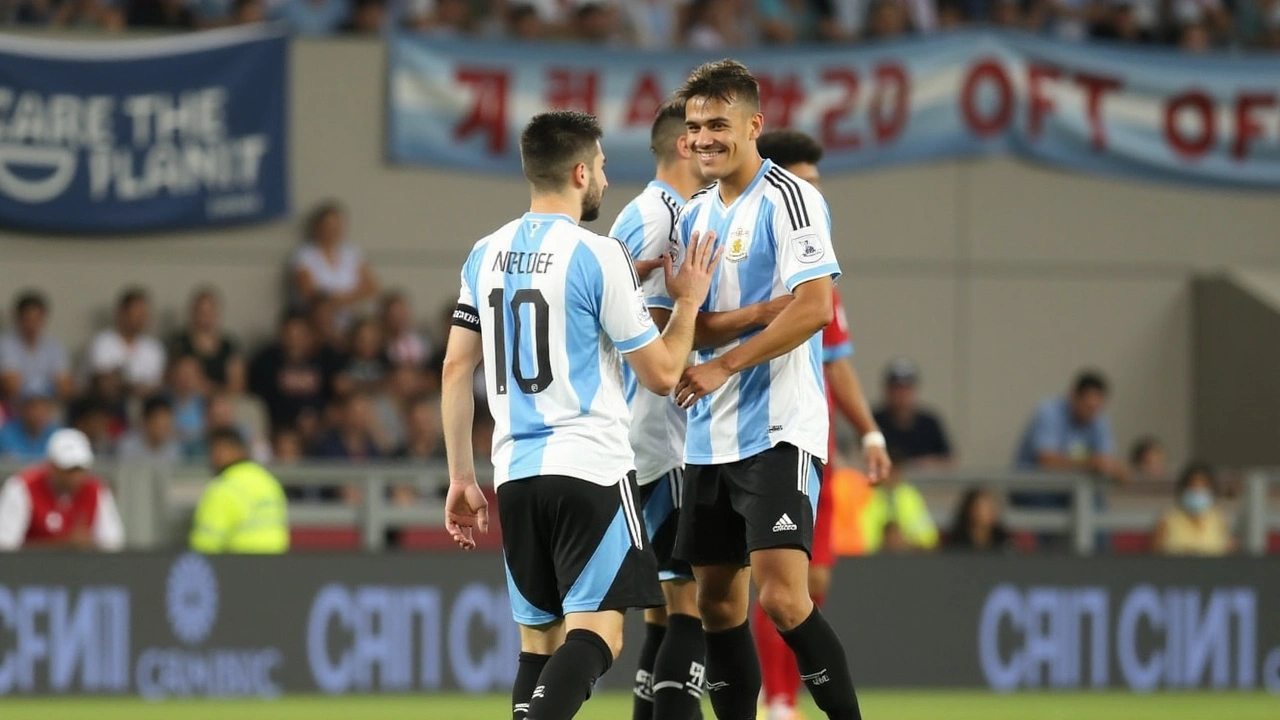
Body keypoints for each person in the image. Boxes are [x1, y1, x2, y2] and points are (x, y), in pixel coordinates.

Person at [440, 110, 719, 720]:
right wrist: (689, 301)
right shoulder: (597, 255)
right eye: (599, 167)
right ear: (577, 171)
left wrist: (462, 477)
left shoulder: (484, 254)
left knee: (537, 647)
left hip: (513, 474)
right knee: (600, 636)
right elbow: (663, 373)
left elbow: (457, 369)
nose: (605, 180)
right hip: (590, 471)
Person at [663, 60, 864, 720]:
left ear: (755, 124)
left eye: (718, 124)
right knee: (719, 604)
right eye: (695, 128)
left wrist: (724, 363)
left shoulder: (792, 198)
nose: (704, 139)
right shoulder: (695, 214)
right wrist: (719, 330)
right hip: (706, 436)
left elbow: (812, 307)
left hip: (779, 430)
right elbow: (691, 327)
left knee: (782, 598)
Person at [749, 128, 891, 720]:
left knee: (811, 584)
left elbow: (838, 366)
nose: (812, 197)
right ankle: (778, 697)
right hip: (758, 440)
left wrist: (872, 432)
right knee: (773, 584)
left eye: (816, 185)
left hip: (818, 446)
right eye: (801, 184)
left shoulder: (818, 279)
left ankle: (784, 694)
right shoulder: (754, 260)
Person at [609, 98, 713, 720]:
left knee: (660, 607)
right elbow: (642, 329)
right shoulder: (658, 218)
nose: (710, 149)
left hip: (638, 436)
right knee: (691, 605)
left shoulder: (642, 215)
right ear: (682, 146)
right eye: (700, 137)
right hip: (663, 438)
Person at [0, 429, 125, 552]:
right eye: (68, 470)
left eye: (80, 469)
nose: (75, 477)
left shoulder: (97, 490)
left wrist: (89, 544)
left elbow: (113, 543)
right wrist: (64, 544)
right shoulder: (21, 487)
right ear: (52, 466)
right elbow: (6, 545)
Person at [190, 426, 289, 554]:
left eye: (214, 450)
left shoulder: (223, 488)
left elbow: (204, 545)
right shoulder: (268, 481)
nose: (212, 458)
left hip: (238, 567)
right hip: (277, 566)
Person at [292, 200, 380, 327]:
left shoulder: (352, 253)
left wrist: (337, 300)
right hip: (318, 323)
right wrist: (349, 297)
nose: (332, 229)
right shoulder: (304, 255)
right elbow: (309, 292)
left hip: (352, 321)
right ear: (318, 227)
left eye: (337, 225)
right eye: (328, 225)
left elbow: (371, 286)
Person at [872, 357, 953, 468]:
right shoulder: (874, 421)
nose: (901, 395)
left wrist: (922, 464)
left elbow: (949, 460)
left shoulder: (929, 423)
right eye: (896, 389)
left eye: (906, 389)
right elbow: (858, 456)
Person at [86, 287, 167, 397]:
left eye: (144, 313)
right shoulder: (102, 342)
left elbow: (157, 385)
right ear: (122, 313)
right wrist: (133, 387)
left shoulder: (154, 347)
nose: (142, 318)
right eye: (137, 313)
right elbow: (104, 382)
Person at [0, 291, 73, 403]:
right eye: (28, 319)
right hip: (14, 407)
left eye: (37, 319)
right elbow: (11, 387)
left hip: (47, 407)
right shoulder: (5, 344)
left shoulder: (54, 346)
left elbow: (65, 388)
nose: (32, 324)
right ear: (18, 319)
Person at [170, 287, 245, 394]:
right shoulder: (180, 343)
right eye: (201, 311)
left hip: (221, 403)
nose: (206, 316)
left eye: (210, 311)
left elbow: (237, 385)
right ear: (193, 313)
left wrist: (208, 388)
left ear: (217, 313)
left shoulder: (229, 346)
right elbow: (173, 379)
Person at [1152, 462, 1235, 556]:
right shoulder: (1168, 519)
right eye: (1192, 486)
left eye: (1202, 486)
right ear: (1183, 489)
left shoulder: (1219, 519)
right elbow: (1156, 554)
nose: (1197, 491)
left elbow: (1229, 551)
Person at [0, 382, 60, 462]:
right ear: (21, 409)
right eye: (33, 406)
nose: (38, 412)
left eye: (43, 406)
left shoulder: (58, 435)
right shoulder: (5, 435)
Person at [117, 394, 183, 464]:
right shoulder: (128, 446)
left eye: (167, 424)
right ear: (146, 422)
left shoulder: (174, 448)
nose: (165, 429)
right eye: (159, 424)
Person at [948, 487, 1014, 553]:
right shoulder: (957, 543)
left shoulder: (1004, 542)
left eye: (991, 507)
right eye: (983, 508)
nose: (990, 512)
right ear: (970, 510)